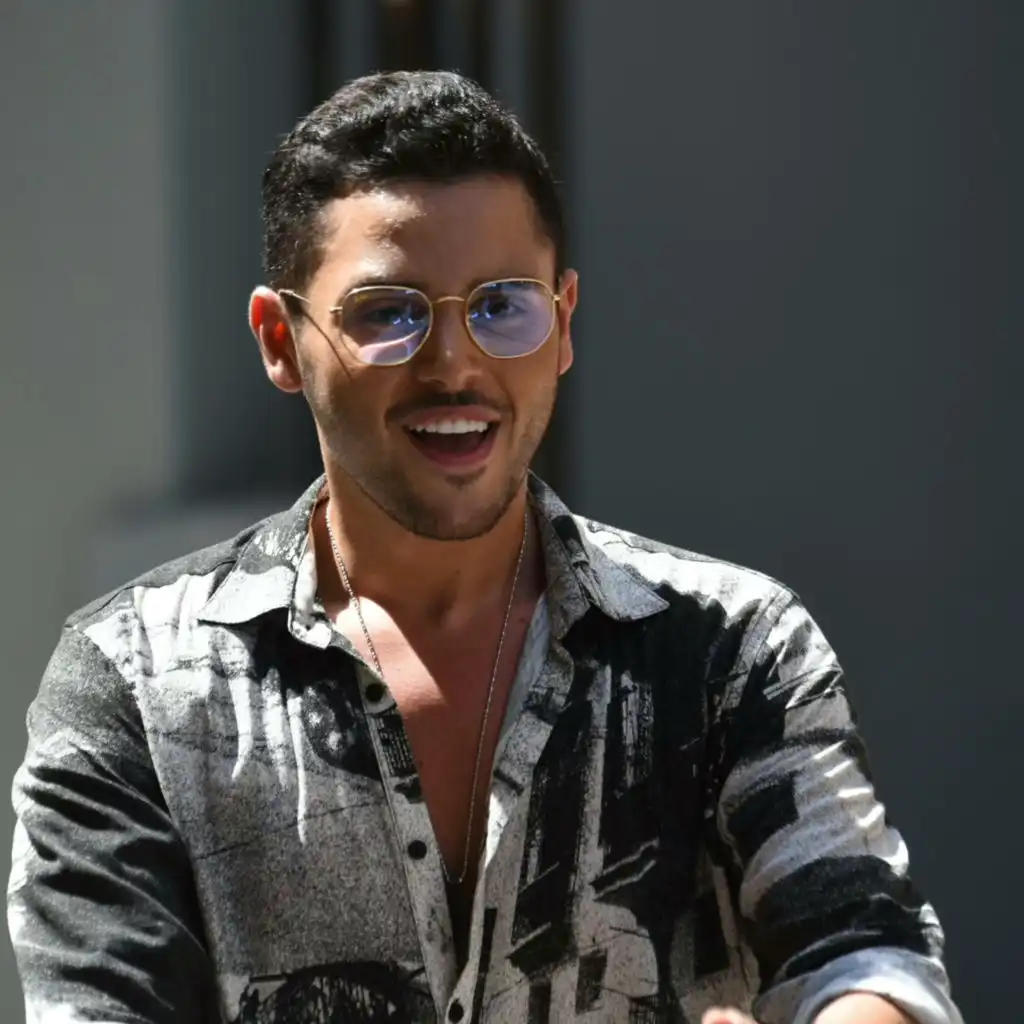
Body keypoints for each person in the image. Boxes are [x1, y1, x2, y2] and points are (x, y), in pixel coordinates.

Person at [7, 70, 963, 1024]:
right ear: (279, 340)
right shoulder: (134, 685)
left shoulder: (732, 648)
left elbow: (869, 957)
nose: (455, 364)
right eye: (388, 313)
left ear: (564, 323)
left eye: (504, 305)